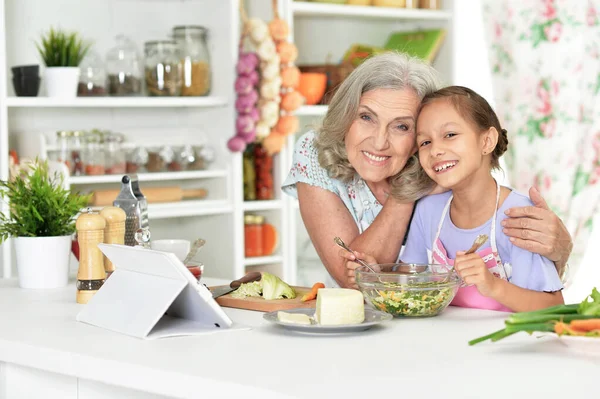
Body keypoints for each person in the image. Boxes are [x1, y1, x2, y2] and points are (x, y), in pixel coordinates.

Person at [282, 52, 572, 290]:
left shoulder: (442, 168)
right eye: (366, 117)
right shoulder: (314, 152)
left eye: (402, 126)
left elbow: (517, 264)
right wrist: (405, 194)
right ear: (346, 114)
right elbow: (355, 283)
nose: (379, 141)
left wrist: (560, 248)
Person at [348, 86, 563, 312]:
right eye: (425, 142)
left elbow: (554, 307)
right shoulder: (428, 210)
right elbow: (408, 288)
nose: (436, 150)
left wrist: (492, 285)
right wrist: (375, 276)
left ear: (487, 141)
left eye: (450, 135)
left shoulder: (518, 215)